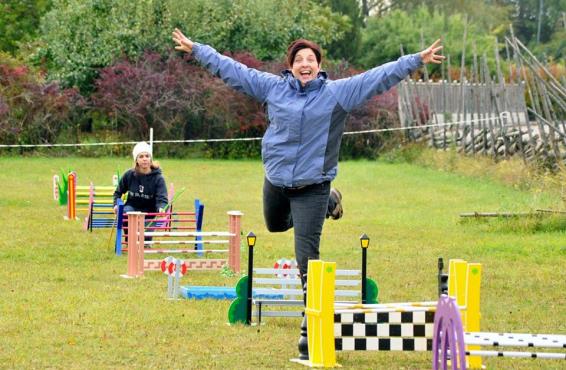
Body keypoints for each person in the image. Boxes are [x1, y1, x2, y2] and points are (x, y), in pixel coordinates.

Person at [172, 29, 444, 358]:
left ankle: (309, 330)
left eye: (310, 60)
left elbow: (378, 77)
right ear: (290, 66)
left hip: (313, 186)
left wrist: (414, 60)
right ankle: (332, 203)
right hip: (277, 180)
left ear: (319, 66)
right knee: (273, 225)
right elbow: (233, 71)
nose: (305, 64)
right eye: (299, 59)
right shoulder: (273, 88)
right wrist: (198, 49)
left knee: (306, 259)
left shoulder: (337, 94)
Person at [113, 141, 168, 217]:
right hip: (131, 209)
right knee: (126, 214)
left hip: (149, 213)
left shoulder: (158, 178)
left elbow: (162, 198)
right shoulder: (129, 175)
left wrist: (161, 208)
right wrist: (116, 204)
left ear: (151, 159)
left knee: (144, 228)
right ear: (136, 160)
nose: (144, 159)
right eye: (141, 156)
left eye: (147, 156)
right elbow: (117, 193)